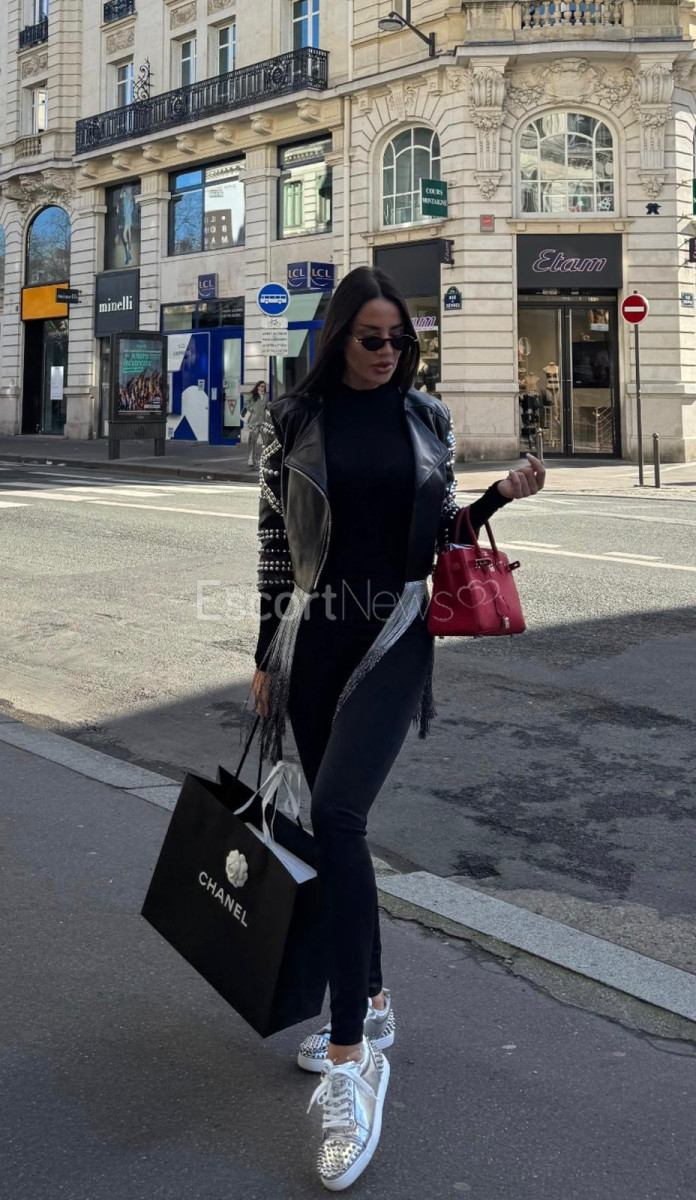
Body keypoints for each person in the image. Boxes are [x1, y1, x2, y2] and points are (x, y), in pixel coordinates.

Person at [250, 266, 544, 1192]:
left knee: (338, 815)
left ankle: (351, 1062)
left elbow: (440, 530)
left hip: (396, 634)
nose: (388, 353)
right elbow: (273, 545)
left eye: (399, 340)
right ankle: (372, 1001)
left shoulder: (428, 419)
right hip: (314, 638)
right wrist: (264, 655)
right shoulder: (292, 421)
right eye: (371, 338)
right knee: (336, 831)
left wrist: (497, 499)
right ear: (338, 337)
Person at [244, 381, 267, 468]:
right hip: (254, 421)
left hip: (263, 421)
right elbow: (246, 403)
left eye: (264, 386)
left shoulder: (265, 396)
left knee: (265, 441)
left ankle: (263, 459)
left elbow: (265, 407)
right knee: (252, 441)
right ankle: (250, 459)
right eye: (262, 386)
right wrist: (252, 408)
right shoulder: (253, 395)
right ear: (258, 387)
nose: (263, 388)